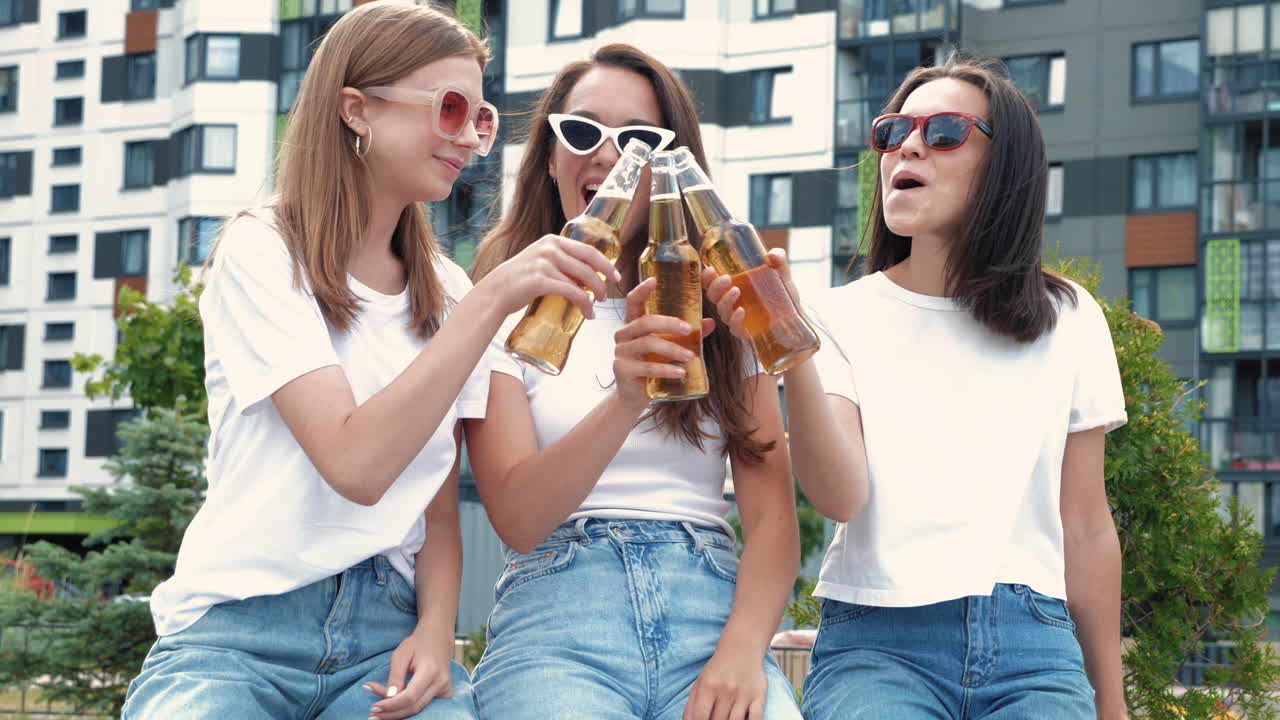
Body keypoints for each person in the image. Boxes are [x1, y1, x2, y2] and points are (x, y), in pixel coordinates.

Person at [122, 4, 619, 719]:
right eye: (451, 109)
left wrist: (433, 629)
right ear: (356, 109)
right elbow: (355, 465)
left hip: (383, 640)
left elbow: (436, 508)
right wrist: (496, 296)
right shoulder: (262, 251)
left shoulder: (448, 291)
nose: (471, 141)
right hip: (239, 630)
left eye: (480, 118)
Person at [703, 55, 1128, 719]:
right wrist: (790, 349)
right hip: (878, 644)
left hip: (1035, 644)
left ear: (1005, 165)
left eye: (945, 132)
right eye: (893, 130)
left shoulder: (1069, 317)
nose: (907, 145)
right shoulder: (834, 315)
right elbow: (840, 495)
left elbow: (1086, 525)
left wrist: (1113, 704)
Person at [464, 44, 805, 720]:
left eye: (640, 139)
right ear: (551, 153)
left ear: (675, 164)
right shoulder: (503, 302)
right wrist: (626, 398)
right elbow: (518, 520)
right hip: (558, 618)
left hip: (710, 606)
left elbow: (771, 516)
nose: (611, 155)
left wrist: (741, 653)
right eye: (584, 131)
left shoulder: (727, 302)